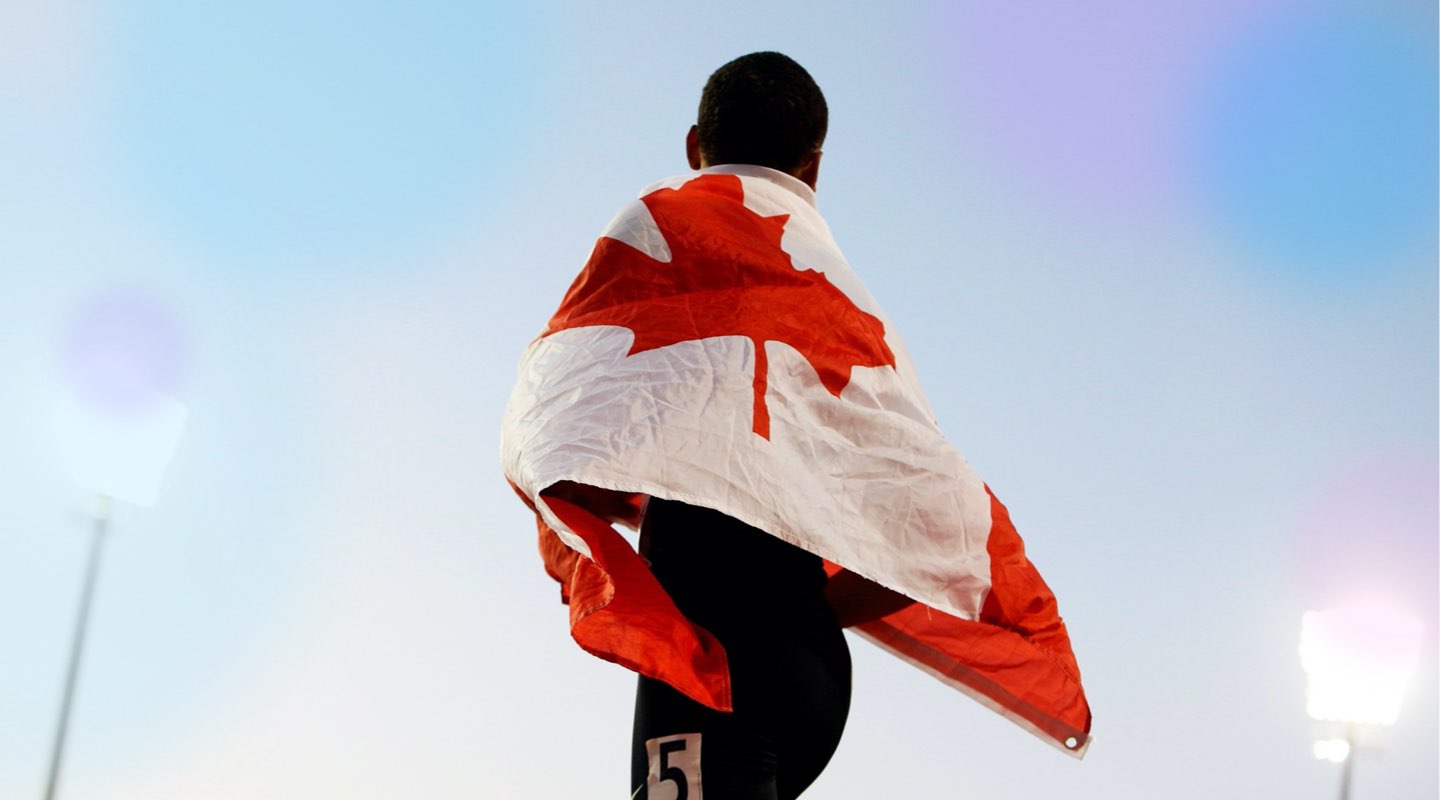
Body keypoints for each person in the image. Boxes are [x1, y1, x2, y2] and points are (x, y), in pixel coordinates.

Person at [501, 50, 1090, 800]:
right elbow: (924, 519)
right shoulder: (848, 311)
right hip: (810, 672)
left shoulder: (657, 229)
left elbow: (560, 402)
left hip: (715, 651)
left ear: (693, 147)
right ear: (811, 169)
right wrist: (802, 614)